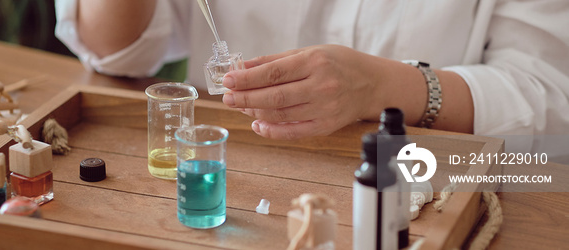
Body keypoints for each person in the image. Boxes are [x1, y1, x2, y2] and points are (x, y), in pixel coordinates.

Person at [55, 0, 569, 154]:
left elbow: (548, 96)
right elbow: (116, 51)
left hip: (415, 185)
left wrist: (381, 87)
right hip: (240, 166)